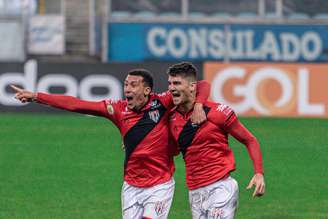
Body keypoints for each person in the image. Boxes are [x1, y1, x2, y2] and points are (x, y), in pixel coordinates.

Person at [11, 68, 210, 219]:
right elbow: (76, 104)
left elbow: (202, 84)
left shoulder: (163, 102)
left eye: (133, 85)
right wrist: (37, 97)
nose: (127, 89)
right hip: (131, 186)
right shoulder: (117, 109)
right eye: (125, 84)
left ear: (147, 90)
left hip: (160, 185)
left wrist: (199, 105)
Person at [167, 62, 265, 219]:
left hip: (220, 186)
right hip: (194, 191)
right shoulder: (171, 117)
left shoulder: (218, 113)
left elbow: (249, 140)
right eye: (170, 83)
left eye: (177, 83)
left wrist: (258, 173)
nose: (171, 88)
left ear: (192, 86)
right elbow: (173, 149)